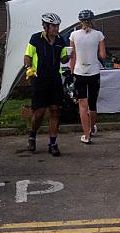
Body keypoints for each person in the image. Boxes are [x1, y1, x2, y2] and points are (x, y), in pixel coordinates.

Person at [24, 12, 69, 156]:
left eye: (57, 26)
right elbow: (27, 56)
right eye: (53, 26)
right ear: (46, 26)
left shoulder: (60, 40)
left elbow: (62, 59)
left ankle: (53, 143)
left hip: (55, 78)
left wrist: (68, 56)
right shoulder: (36, 38)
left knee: (55, 110)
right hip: (39, 79)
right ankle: (32, 135)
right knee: (39, 112)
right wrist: (29, 68)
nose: (56, 29)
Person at [68, 10, 106, 145]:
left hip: (79, 72)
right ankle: (91, 129)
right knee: (93, 104)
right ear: (92, 20)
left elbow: (72, 56)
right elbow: (103, 55)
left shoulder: (73, 35)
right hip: (94, 72)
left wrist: (72, 72)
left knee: (82, 105)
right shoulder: (99, 35)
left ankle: (86, 135)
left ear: (80, 22)